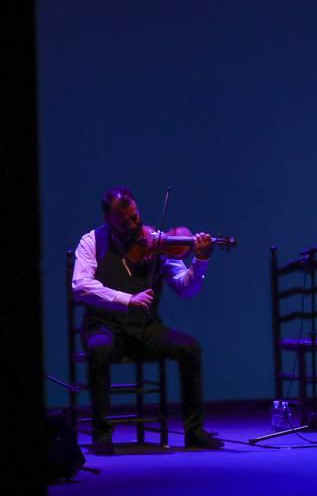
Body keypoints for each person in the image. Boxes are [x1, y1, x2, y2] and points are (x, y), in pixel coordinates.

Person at [71, 187, 221, 454]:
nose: (132, 226)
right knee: (100, 349)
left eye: (135, 217)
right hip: (105, 325)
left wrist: (200, 260)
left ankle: (194, 433)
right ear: (109, 221)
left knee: (190, 348)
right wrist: (126, 299)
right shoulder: (92, 241)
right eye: (123, 222)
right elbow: (81, 286)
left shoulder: (157, 243)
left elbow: (186, 288)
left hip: (145, 328)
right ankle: (102, 434)